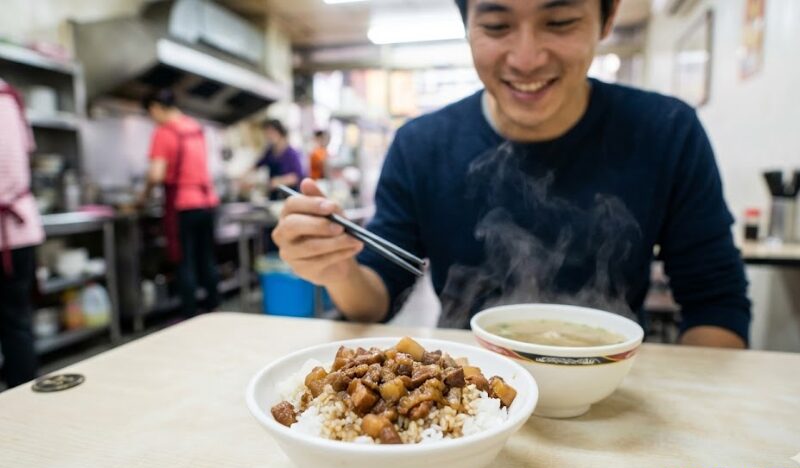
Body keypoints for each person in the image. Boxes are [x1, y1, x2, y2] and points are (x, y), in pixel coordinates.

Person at [272, 0, 751, 348]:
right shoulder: (422, 144)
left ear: (606, 18)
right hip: (465, 396)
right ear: (467, 26)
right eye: (498, 25)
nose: (526, 58)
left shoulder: (666, 131)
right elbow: (375, 300)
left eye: (559, 21)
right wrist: (338, 268)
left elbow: (717, 305)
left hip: (614, 392)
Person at [141, 89, 220, 319]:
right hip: (207, 202)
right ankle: (214, 309)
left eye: (150, 113)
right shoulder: (196, 128)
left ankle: (190, 316)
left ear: (156, 107)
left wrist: (142, 196)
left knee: (184, 261)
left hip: (183, 205)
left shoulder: (164, 132)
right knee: (207, 258)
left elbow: (156, 175)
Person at [0, 78, 43, 386]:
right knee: (17, 321)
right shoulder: (11, 98)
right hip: (21, 228)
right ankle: (22, 400)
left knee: (14, 322)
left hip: (8, 230)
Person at [255, 119, 304, 199]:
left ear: (280, 132)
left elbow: (297, 176)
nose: (268, 136)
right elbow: (256, 165)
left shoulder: (291, 153)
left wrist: (279, 181)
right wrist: (243, 178)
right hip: (274, 196)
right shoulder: (269, 152)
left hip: (289, 196)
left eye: (271, 132)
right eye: (266, 133)